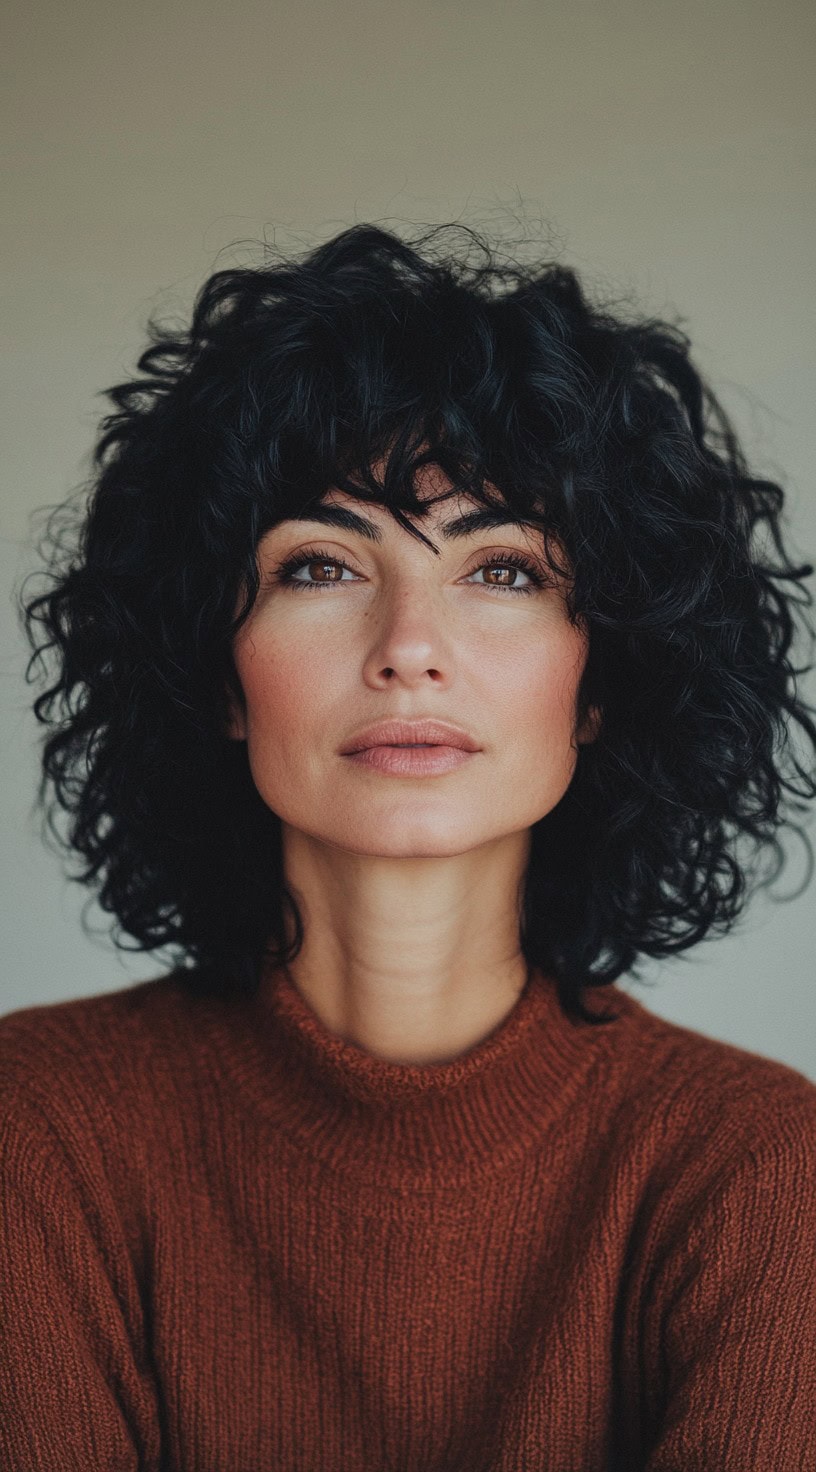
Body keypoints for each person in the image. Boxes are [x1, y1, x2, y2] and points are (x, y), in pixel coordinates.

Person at [3, 220, 816, 1471]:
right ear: (217, 674)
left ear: (601, 681)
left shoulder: (758, 1166)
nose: (409, 646)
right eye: (321, 563)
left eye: (502, 570)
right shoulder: (36, 1127)